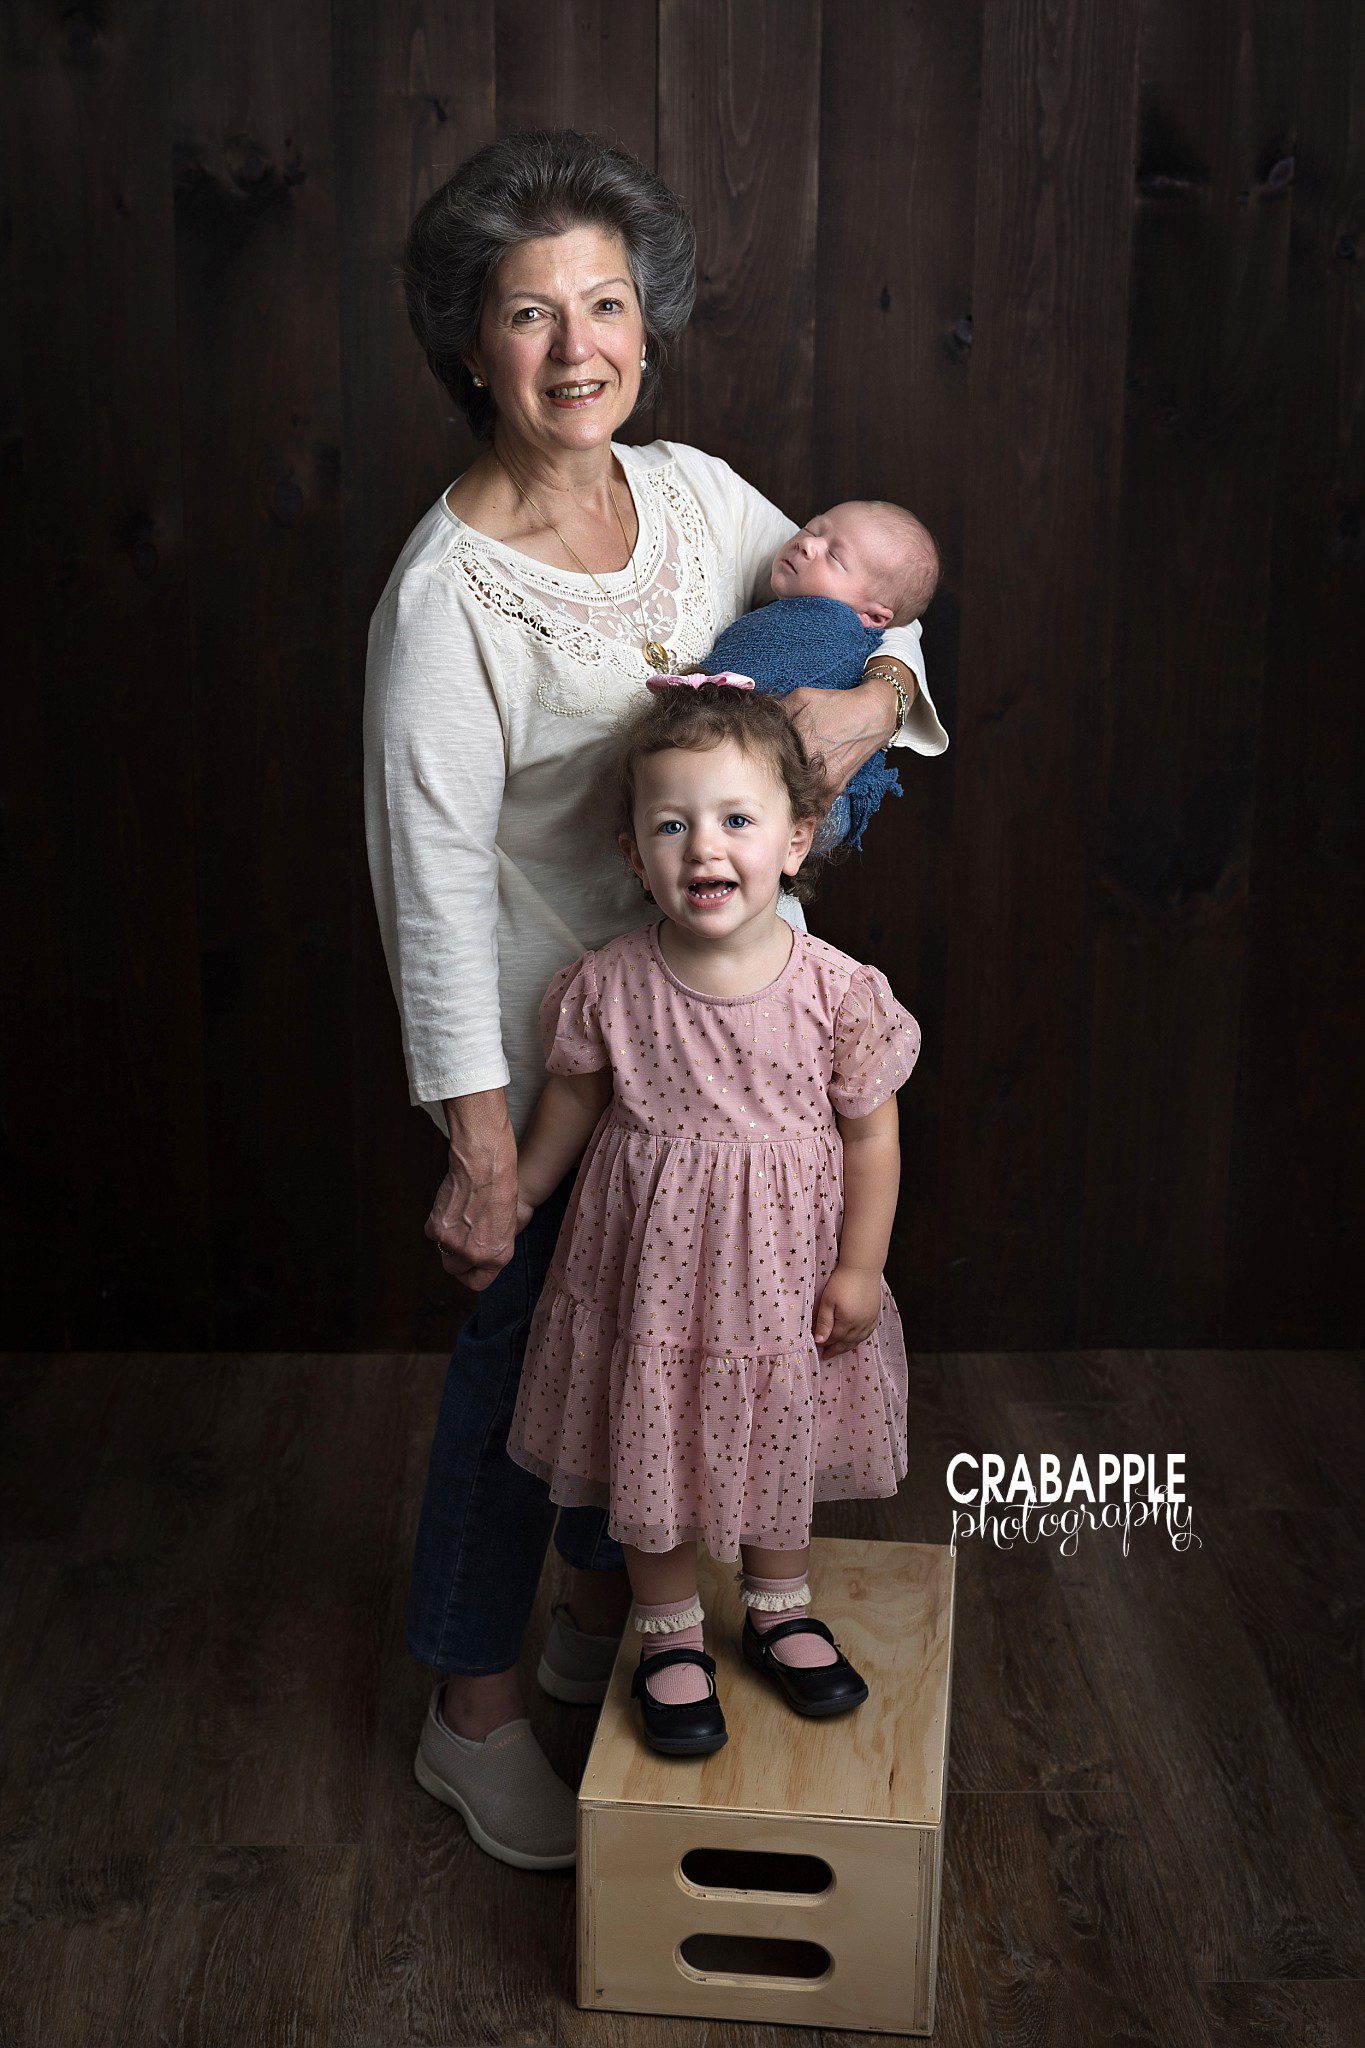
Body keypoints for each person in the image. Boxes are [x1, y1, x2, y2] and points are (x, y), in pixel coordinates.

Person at [363, 128, 949, 1869]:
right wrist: (482, 1144)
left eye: (604, 304)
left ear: (649, 321)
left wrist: (864, 706)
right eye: (528, 314)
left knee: (667, 1364)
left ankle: (588, 1623)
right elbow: (430, 885)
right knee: (520, 1365)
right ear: (471, 346)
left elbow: (886, 616)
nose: (575, 347)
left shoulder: (698, 496)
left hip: (738, 1037)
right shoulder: (446, 594)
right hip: (578, 1053)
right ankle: (469, 1719)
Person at [504, 678, 921, 1756]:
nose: (705, 847)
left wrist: (860, 1268)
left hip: (785, 1272)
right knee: (654, 1436)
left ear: (794, 839)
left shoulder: (836, 992)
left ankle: (779, 1604)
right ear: (636, 854)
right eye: (672, 824)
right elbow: (573, 1099)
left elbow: (872, 1137)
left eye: (736, 819)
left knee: (778, 1424)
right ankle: (670, 1629)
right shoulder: (611, 984)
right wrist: (517, 1190)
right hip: (648, 1277)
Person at [705, 499, 941, 851]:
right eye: (813, 528)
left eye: (835, 557)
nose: (807, 543)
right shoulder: (796, 610)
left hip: (813, 801)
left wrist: (882, 699)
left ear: (873, 618)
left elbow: (905, 625)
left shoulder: (824, 631)